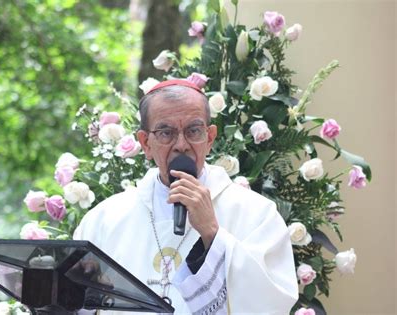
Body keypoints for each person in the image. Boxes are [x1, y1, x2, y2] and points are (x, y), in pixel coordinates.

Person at [73, 80, 298, 314]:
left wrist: (213, 234)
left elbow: (272, 302)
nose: (181, 145)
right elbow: (74, 303)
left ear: (210, 138)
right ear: (145, 143)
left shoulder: (256, 214)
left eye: (193, 131)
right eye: (166, 133)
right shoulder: (104, 219)